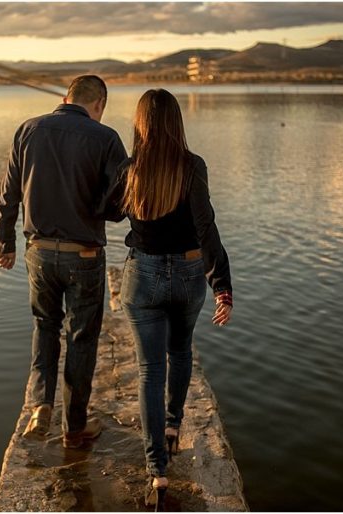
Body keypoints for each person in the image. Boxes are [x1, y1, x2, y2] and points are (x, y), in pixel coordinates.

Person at [108, 89, 232, 511]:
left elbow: (106, 210)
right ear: (177, 122)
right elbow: (206, 226)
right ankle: (175, 426)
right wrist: (223, 286)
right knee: (180, 354)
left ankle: (158, 474)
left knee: (148, 371)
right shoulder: (193, 166)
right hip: (188, 273)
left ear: (140, 122)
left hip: (142, 276)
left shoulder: (131, 168)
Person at [0, 75, 128, 449]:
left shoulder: (28, 129)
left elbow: (8, 194)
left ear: (66, 97)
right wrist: (96, 209)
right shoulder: (106, 138)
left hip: (37, 252)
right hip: (83, 255)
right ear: (99, 103)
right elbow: (121, 202)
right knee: (81, 339)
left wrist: (5, 241)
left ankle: (40, 405)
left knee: (45, 326)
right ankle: (75, 427)